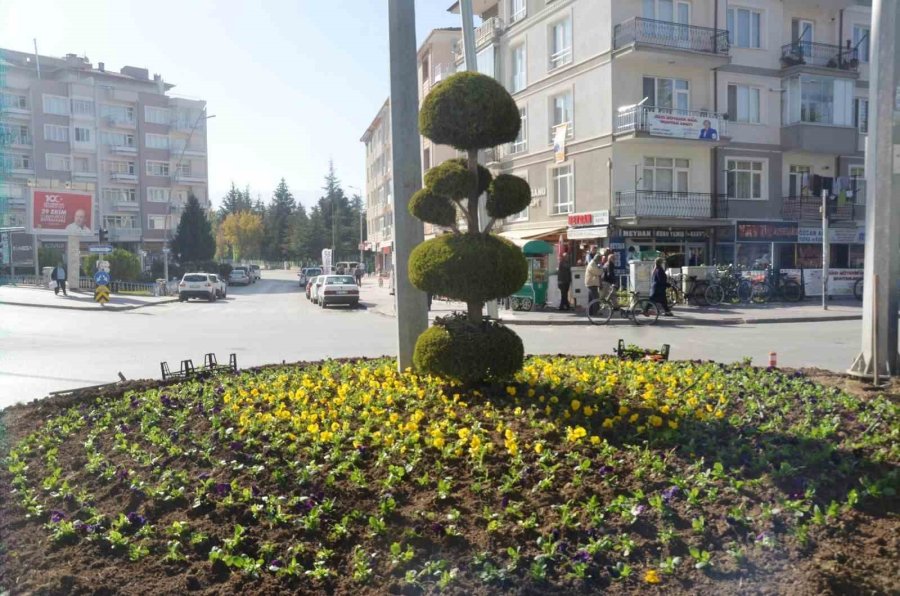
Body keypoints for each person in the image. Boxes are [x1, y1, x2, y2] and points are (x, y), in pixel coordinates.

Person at [584, 248, 603, 314]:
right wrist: (602, 270)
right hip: (591, 283)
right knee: (595, 299)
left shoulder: (593, 264)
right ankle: (595, 312)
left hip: (592, 283)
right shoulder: (592, 264)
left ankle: (590, 312)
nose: (600, 261)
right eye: (599, 260)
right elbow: (598, 272)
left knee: (591, 299)